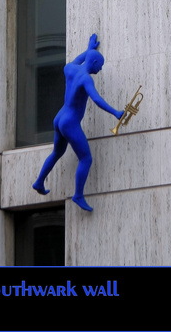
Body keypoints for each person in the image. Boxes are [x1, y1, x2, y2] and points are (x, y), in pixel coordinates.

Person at [32, 34, 122, 212]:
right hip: (70, 122)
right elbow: (96, 99)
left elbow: (81, 58)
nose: (101, 69)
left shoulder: (70, 69)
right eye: (100, 66)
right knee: (86, 158)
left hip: (59, 117)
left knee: (57, 152)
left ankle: (39, 181)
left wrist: (89, 50)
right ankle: (78, 195)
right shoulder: (86, 79)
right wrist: (115, 112)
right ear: (95, 63)